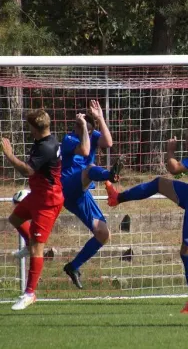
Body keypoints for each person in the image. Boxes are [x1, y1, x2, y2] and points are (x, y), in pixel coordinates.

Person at [106, 123, 188, 314]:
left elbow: (174, 168)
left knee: (187, 253)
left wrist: (170, 150)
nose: (185, 143)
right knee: (159, 183)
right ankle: (117, 197)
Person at [2, 109, 64, 310]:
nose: (27, 129)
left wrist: (9, 155)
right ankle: (29, 245)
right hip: (37, 196)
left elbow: (27, 170)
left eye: (28, 126)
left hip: (48, 201)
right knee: (15, 219)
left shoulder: (46, 147)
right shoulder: (44, 141)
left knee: (38, 248)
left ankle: (29, 293)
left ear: (35, 128)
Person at [60, 100, 124, 289]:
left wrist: (100, 118)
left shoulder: (91, 134)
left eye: (84, 129)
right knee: (90, 168)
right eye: (79, 127)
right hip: (68, 186)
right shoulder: (69, 139)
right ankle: (109, 176)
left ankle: (73, 266)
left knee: (103, 233)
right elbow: (86, 150)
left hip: (82, 193)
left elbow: (109, 142)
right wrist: (82, 128)